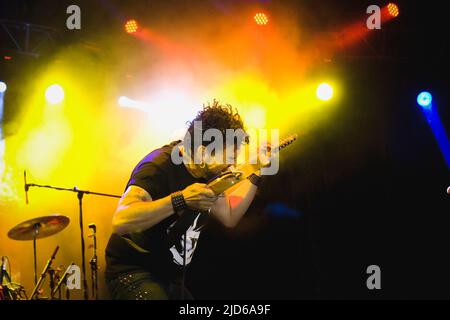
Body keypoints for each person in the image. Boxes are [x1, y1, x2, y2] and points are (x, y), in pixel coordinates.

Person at [104, 100, 268, 300]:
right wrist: (181, 200)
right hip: (133, 273)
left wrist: (255, 173)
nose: (231, 167)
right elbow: (121, 221)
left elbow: (229, 217)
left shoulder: (208, 174)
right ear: (202, 151)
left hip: (170, 278)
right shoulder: (158, 166)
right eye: (228, 159)